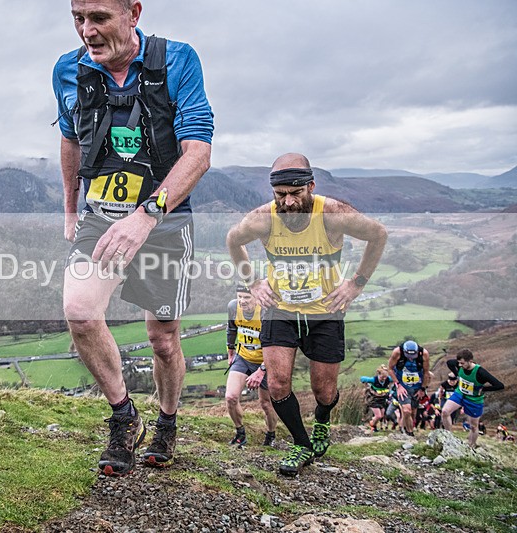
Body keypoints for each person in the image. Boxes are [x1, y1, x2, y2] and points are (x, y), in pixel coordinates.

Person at [53, 0, 213, 475]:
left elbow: (198, 152)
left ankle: (167, 421)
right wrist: (68, 206)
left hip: (163, 219)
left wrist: (147, 215)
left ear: (133, 13)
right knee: (80, 312)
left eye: (99, 18)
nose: (87, 30)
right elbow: (70, 138)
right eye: (78, 18)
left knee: (162, 340)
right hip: (101, 213)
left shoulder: (178, 60)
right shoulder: (68, 70)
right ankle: (125, 417)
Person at [226, 153, 388, 475]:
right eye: (280, 194)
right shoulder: (264, 217)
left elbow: (378, 234)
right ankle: (301, 444)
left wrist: (356, 284)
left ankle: (323, 422)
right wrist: (254, 282)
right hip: (279, 310)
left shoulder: (332, 213)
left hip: (324, 313)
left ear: (311, 185)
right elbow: (234, 240)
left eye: (295, 193)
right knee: (278, 385)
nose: (287, 202)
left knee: (324, 392)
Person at [225, 284, 277, 447]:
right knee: (231, 397)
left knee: (266, 403)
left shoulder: (266, 312)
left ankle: (270, 435)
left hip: (265, 360)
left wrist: (262, 369)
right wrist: (230, 350)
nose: (242, 301)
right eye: (240, 296)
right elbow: (231, 328)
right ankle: (240, 434)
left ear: (257, 297)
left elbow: (275, 346)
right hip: (243, 357)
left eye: (246, 297)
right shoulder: (233, 307)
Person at [441, 349, 504, 449]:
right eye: (459, 363)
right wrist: (457, 374)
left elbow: (500, 385)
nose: (460, 365)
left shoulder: (480, 372)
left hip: (474, 399)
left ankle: (471, 446)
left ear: (470, 361)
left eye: (462, 363)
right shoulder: (459, 365)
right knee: (445, 411)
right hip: (460, 393)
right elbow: (449, 363)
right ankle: (449, 437)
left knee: (474, 426)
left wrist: (483, 388)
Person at [387, 340, 430, 437]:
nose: (411, 358)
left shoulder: (424, 354)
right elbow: (390, 369)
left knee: (413, 412)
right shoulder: (397, 352)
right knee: (406, 410)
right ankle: (410, 433)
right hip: (402, 386)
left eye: (413, 356)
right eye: (408, 356)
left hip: (417, 386)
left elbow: (426, 372)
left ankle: (407, 428)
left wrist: (422, 389)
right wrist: (398, 385)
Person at [360, 364, 392, 432]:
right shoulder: (373, 380)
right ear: (379, 374)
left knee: (382, 415)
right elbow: (362, 378)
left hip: (382, 399)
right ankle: (371, 424)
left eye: (385, 377)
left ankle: (373, 426)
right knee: (378, 416)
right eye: (382, 377)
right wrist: (364, 381)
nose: (384, 379)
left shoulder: (388, 379)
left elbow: (396, 378)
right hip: (374, 400)